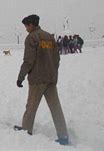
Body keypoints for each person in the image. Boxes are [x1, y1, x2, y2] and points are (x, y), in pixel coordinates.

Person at [14, 14, 69, 145]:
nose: (26, 28)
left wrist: (20, 77)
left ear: (31, 24)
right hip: (51, 78)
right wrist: (53, 73)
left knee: (31, 106)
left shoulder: (32, 37)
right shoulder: (49, 36)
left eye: (26, 26)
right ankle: (63, 136)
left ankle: (26, 130)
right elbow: (57, 58)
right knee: (56, 108)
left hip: (38, 79)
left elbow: (28, 60)